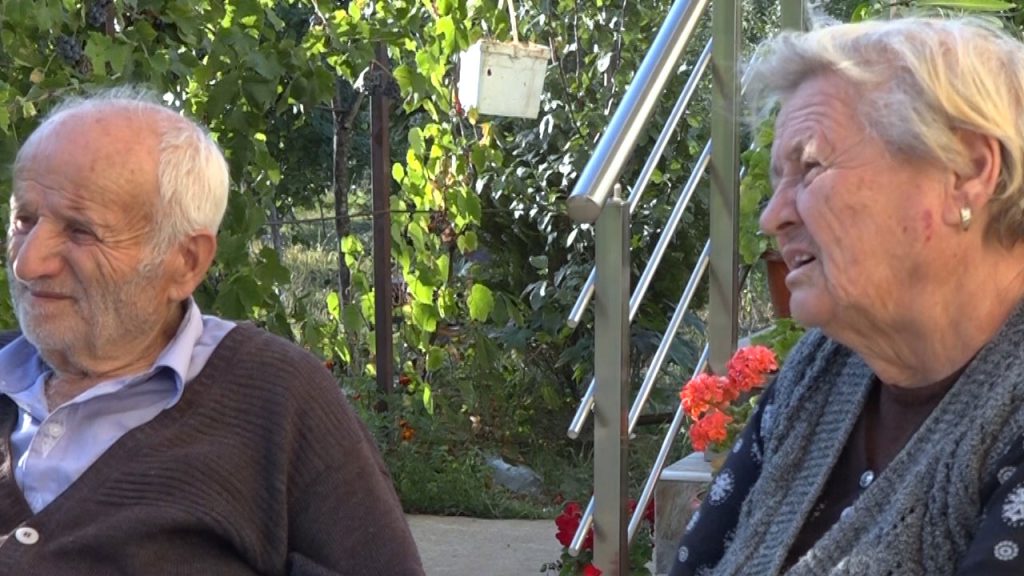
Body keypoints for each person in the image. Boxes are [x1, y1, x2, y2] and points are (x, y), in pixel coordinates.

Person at [0, 88, 424, 575]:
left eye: (81, 231)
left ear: (186, 262)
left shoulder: (276, 399)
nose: (28, 263)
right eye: (23, 221)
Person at [670, 16, 1024, 576]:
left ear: (968, 170)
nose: (772, 217)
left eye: (810, 167)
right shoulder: (820, 374)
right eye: (777, 179)